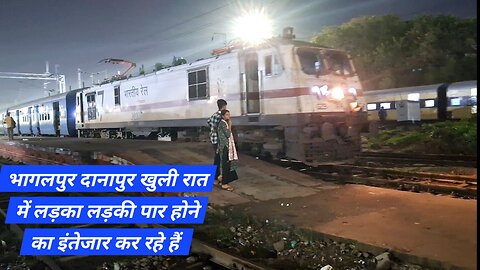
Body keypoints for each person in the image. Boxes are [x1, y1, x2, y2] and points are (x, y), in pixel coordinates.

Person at [217, 109, 238, 191]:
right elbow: (228, 134)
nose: (228, 116)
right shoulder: (223, 124)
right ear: (223, 116)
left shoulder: (222, 123)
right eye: (227, 115)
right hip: (225, 146)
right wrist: (230, 125)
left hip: (225, 146)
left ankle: (222, 178)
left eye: (229, 114)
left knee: (225, 163)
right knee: (226, 164)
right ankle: (224, 183)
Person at [207, 99, 227, 182]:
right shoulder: (219, 116)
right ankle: (216, 177)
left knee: (218, 158)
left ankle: (216, 176)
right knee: (218, 159)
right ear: (223, 106)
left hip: (214, 139)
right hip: (218, 140)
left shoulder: (214, 115)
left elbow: (208, 122)